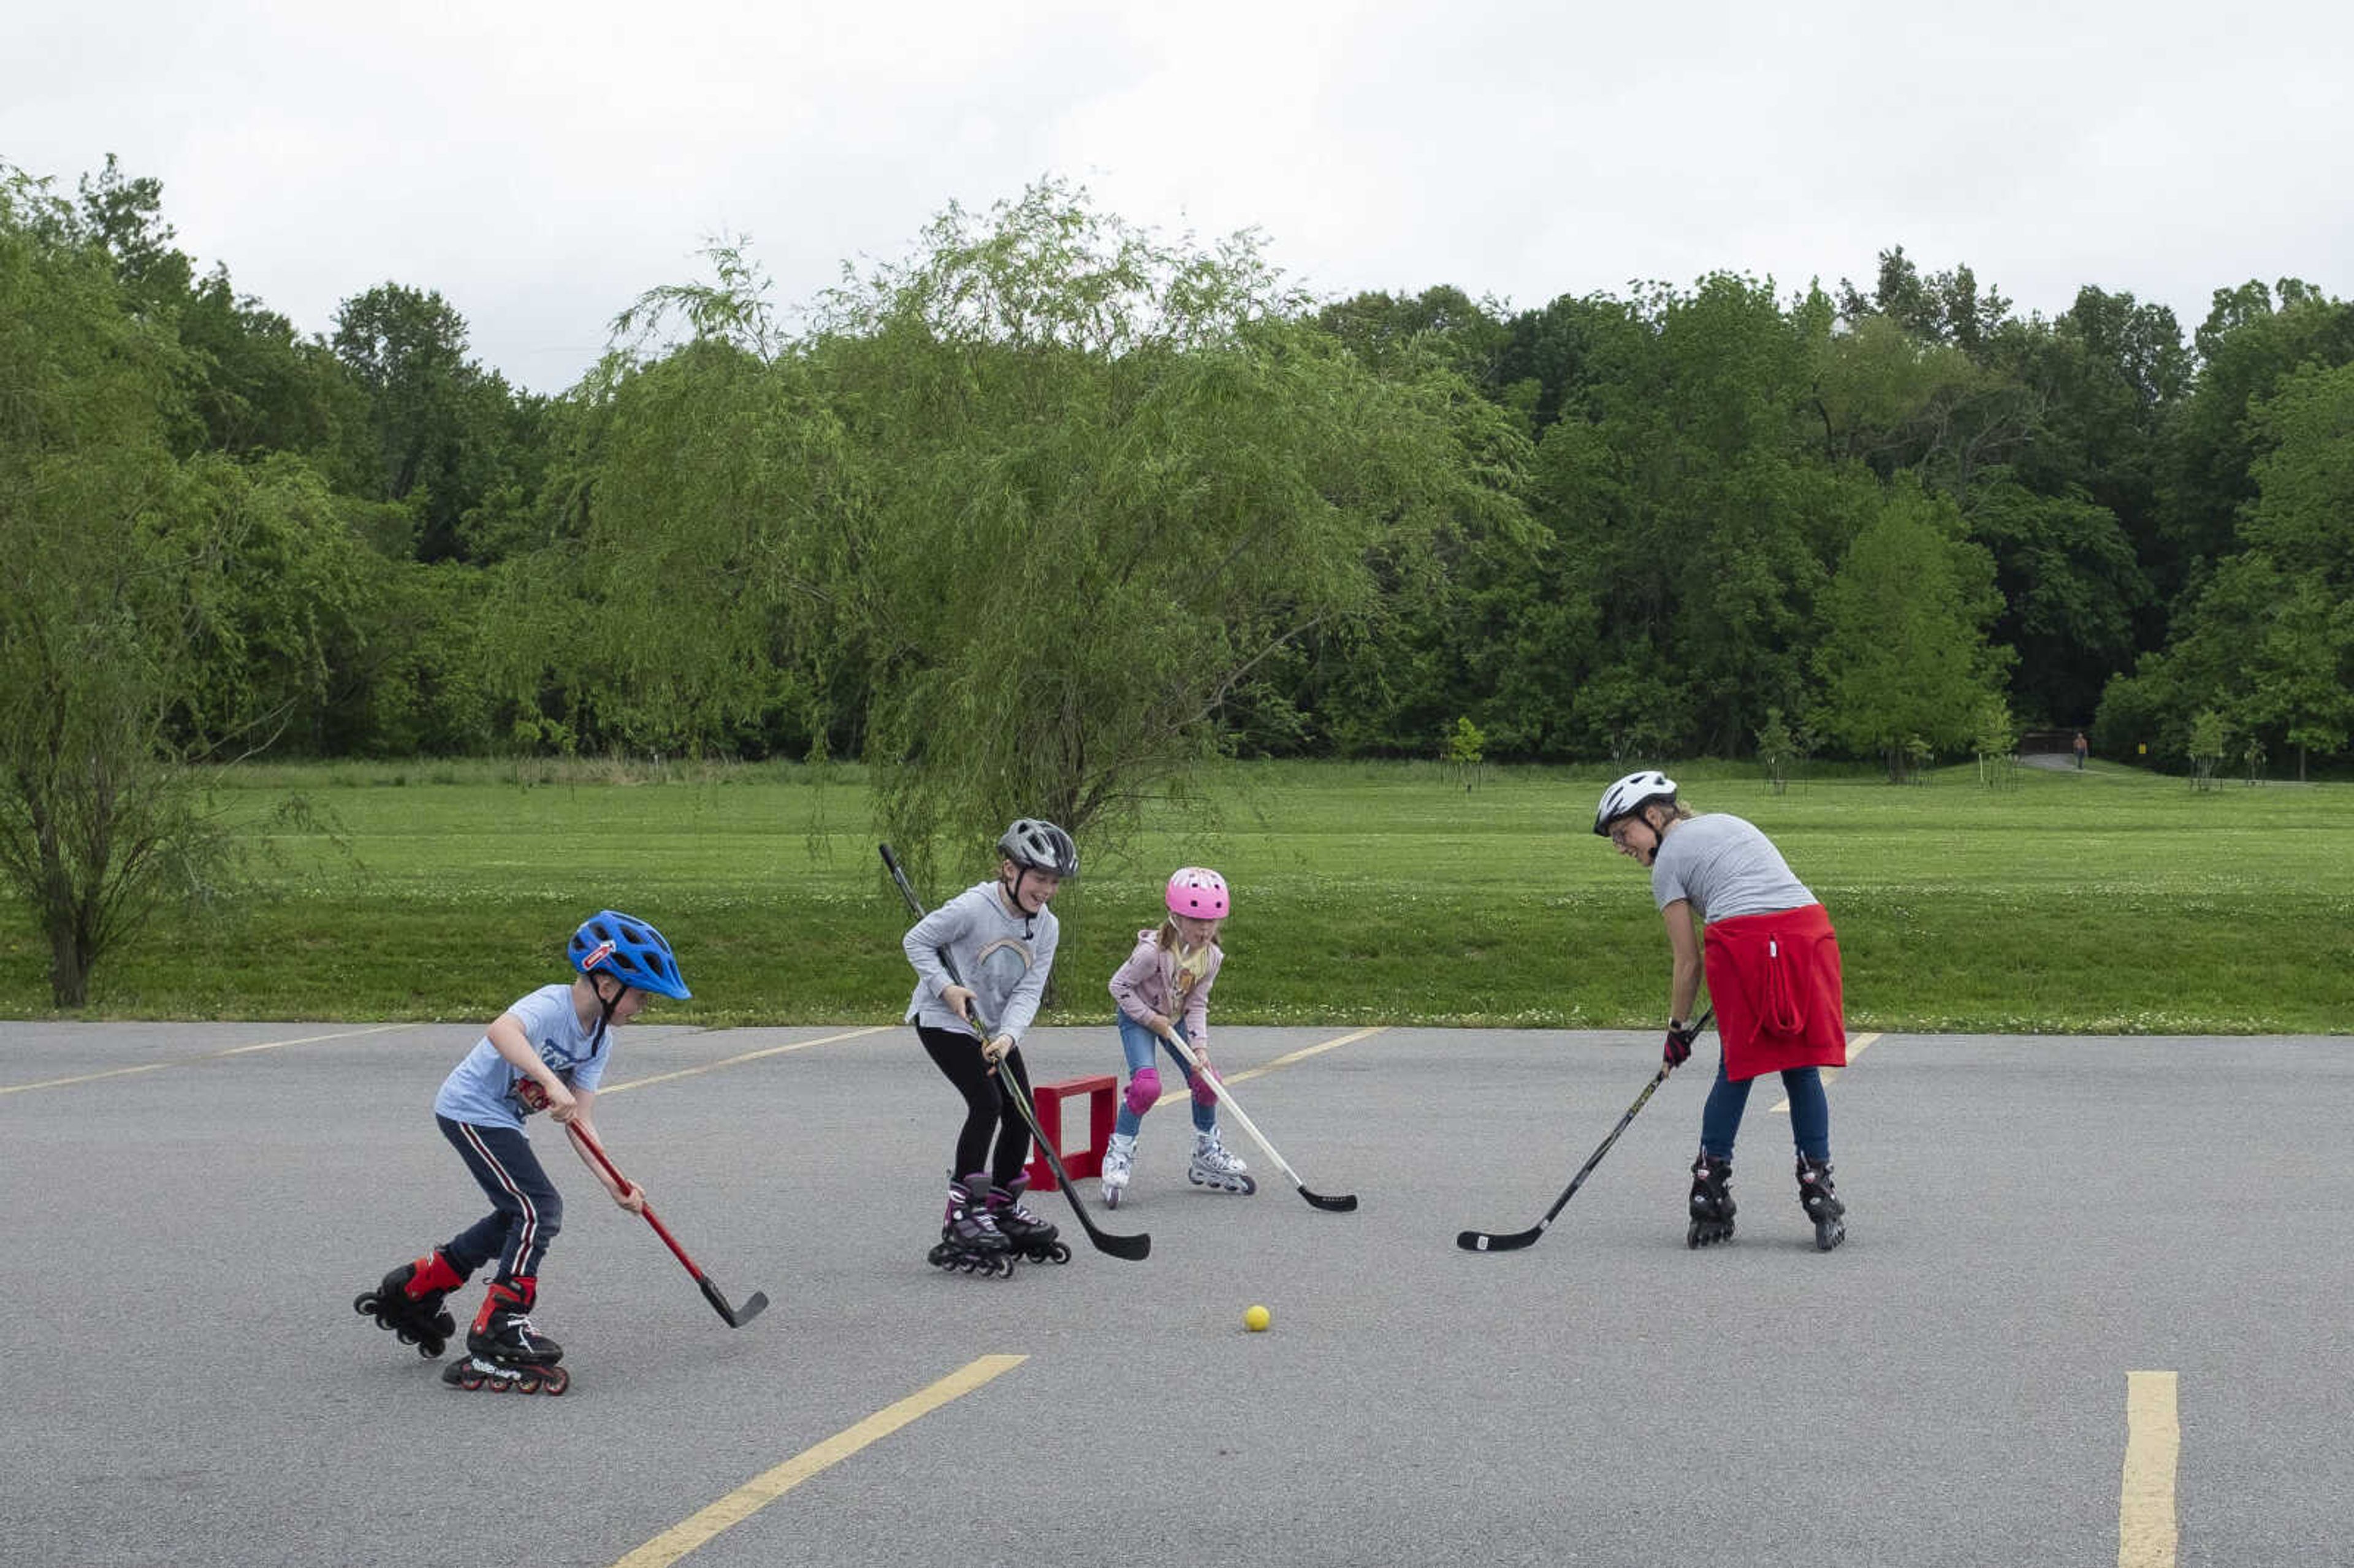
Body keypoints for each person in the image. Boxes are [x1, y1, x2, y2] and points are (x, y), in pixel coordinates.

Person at [354, 910, 690, 1392]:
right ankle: (500, 1323)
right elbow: (502, 1032)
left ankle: (418, 1286)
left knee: (517, 1214)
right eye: (639, 994)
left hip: (501, 1119)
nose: (642, 1005)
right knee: (539, 1208)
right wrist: (553, 1082)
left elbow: (582, 1121)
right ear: (604, 982)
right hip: (469, 1110)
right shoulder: (550, 1005)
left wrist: (615, 1185)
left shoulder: (598, 1041)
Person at [1593, 771, 1851, 1251]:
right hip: (1806, 934)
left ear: (1654, 815)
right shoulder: (1729, 823)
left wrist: (1677, 1030)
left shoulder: (1667, 861)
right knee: (1800, 1068)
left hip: (1745, 941)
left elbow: (1688, 961)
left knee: (1736, 1068)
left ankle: (1708, 1190)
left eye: (1623, 833)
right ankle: (1818, 1189)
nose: (1621, 847)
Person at [902, 818, 1077, 1275]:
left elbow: (1029, 990)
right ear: (1009, 869)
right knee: (987, 1104)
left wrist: (1008, 1037)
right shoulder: (973, 908)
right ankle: (962, 1215)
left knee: (1022, 1111)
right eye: (1040, 878)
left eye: (1055, 882)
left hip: (994, 1030)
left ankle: (1000, 1206)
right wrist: (946, 988)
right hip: (944, 1020)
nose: (1047, 890)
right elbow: (917, 940)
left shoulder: (1047, 928)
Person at [1099, 867, 1253, 1208]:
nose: (1205, 929)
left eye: (1212, 921)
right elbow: (1118, 987)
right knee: (1146, 1087)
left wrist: (1199, 1046)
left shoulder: (1211, 957)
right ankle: (1119, 1153)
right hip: (1139, 1016)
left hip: (1175, 1018)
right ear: (1176, 917)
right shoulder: (1152, 953)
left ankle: (1206, 1151)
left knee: (1206, 1080)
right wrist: (1149, 1019)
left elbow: (1197, 1002)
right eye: (1196, 919)